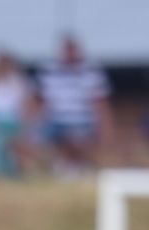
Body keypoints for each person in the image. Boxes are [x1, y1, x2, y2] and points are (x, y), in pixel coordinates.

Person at [37, 34, 111, 173]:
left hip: (83, 120)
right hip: (57, 120)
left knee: (78, 138)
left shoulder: (91, 71)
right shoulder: (50, 71)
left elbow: (100, 103)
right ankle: (63, 167)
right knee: (42, 135)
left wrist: (105, 128)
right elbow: (43, 102)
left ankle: (76, 168)